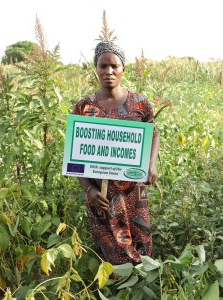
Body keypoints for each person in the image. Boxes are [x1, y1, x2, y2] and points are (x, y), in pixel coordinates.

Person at [71, 41, 160, 265]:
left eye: (114, 66)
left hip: (134, 192)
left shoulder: (139, 103)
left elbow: (153, 134)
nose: (108, 72)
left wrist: (151, 165)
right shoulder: (84, 107)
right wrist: (89, 189)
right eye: (103, 66)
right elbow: (75, 156)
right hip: (101, 195)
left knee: (141, 247)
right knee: (110, 253)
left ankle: (141, 289)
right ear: (96, 68)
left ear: (123, 69)